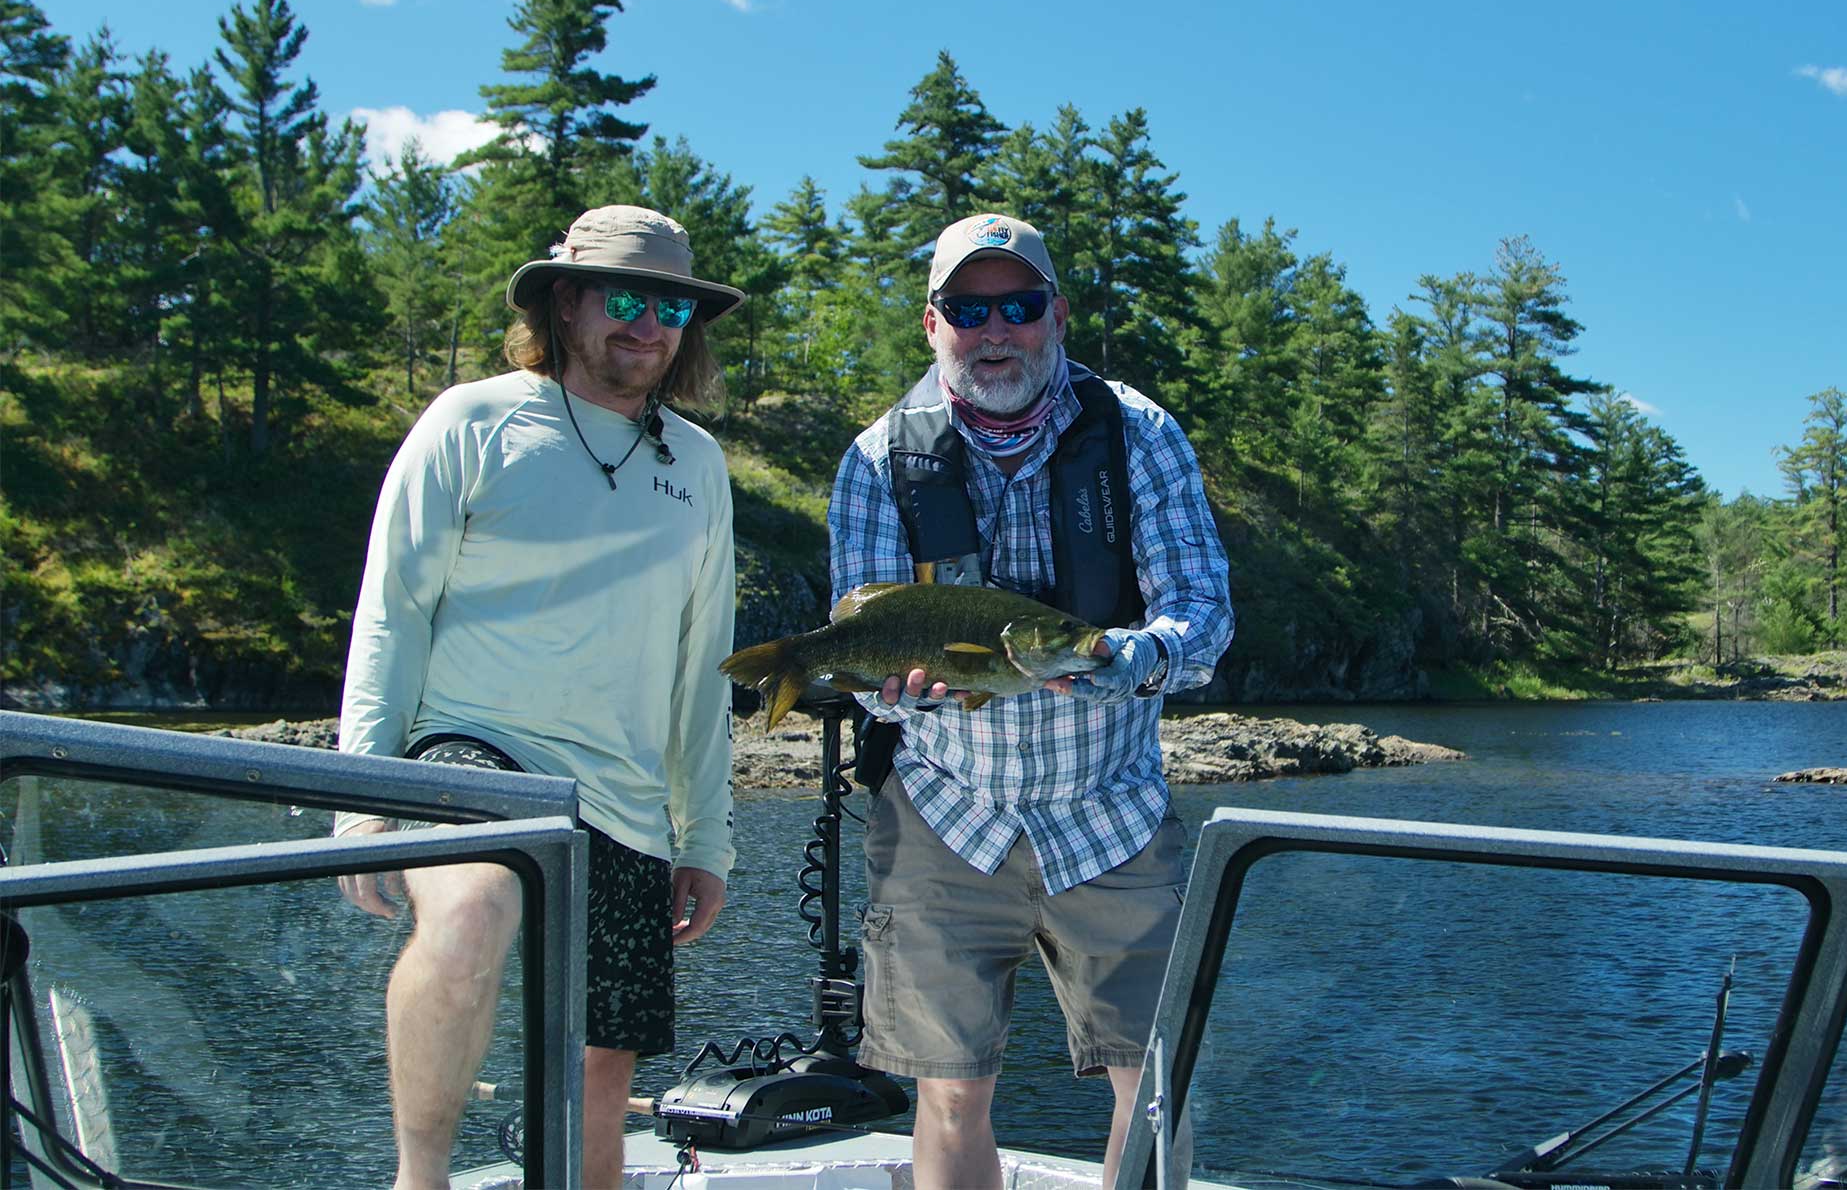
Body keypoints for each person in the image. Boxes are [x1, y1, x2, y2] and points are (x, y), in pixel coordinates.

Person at [334, 204, 744, 1190]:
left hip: (626, 800)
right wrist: (360, 799)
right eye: (624, 298)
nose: (646, 326)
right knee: (471, 906)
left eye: (670, 308)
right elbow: (393, 611)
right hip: (475, 751)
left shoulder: (697, 464)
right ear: (566, 304)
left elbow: (704, 668)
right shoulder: (469, 421)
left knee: (603, 1066)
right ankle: (419, 1179)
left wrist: (706, 839)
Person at [826, 213, 1234, 1186]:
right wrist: (899, 697)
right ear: (933, 326)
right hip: (943, 818)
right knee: (951, 1088)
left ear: (1057, 315)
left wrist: (1117, 657)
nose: (994, 330)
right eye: (969, 310)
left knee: (1152, 1083)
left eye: (1017, 305)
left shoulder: (1139, 436)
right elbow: (869, 661)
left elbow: (1203, 623)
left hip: (1113, 815)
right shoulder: (877, 460)